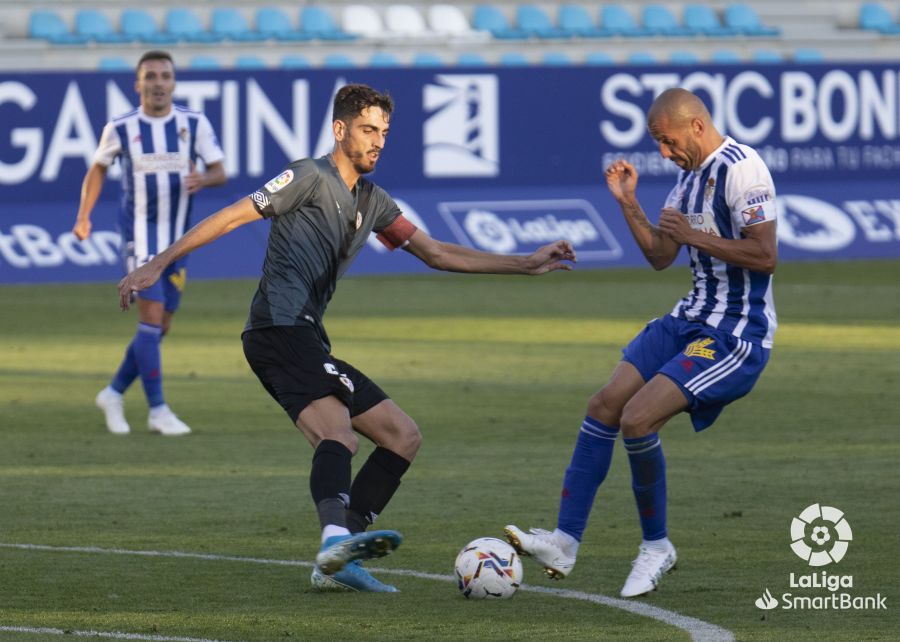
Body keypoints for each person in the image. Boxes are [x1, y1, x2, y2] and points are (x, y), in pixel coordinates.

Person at [117, 84, 577, 592]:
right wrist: (157, 263)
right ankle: (334, 542)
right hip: (278, 329)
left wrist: (525, 263)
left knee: (403, 437)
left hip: (308, 339)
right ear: (340, 130)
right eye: (367, 130)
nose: (378, 140)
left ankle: (336, 559)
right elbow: (232, 216)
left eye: (383, 131)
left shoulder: (375, 202)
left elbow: (437, 253)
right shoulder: (309, 176)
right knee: (338, 435)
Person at [505, 87, 777, 598]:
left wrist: (696, 237)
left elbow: (765, 256)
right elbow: (659, 255)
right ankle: (564, 541)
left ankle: (657, 547)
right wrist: (629, 204)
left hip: (735, 332)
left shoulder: (743, 169)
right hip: (688, 318)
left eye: (669, 142)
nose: (665, 153)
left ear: (696, 126)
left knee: (638, 417)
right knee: (605, 403)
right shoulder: (686, 179)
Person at [73, 50, 227, 437]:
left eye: (165, 76)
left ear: (173, 82)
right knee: (151, 320)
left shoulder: (193, 123)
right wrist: (83, 216)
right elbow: (97, 170)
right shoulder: (121, 127)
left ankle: (113, 392)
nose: (158, 82)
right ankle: (158, 410)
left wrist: (203, 181)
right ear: (137, 84)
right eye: (151, 76)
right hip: (140, 239)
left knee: (160, 328)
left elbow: (220, 172)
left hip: (179, 243)